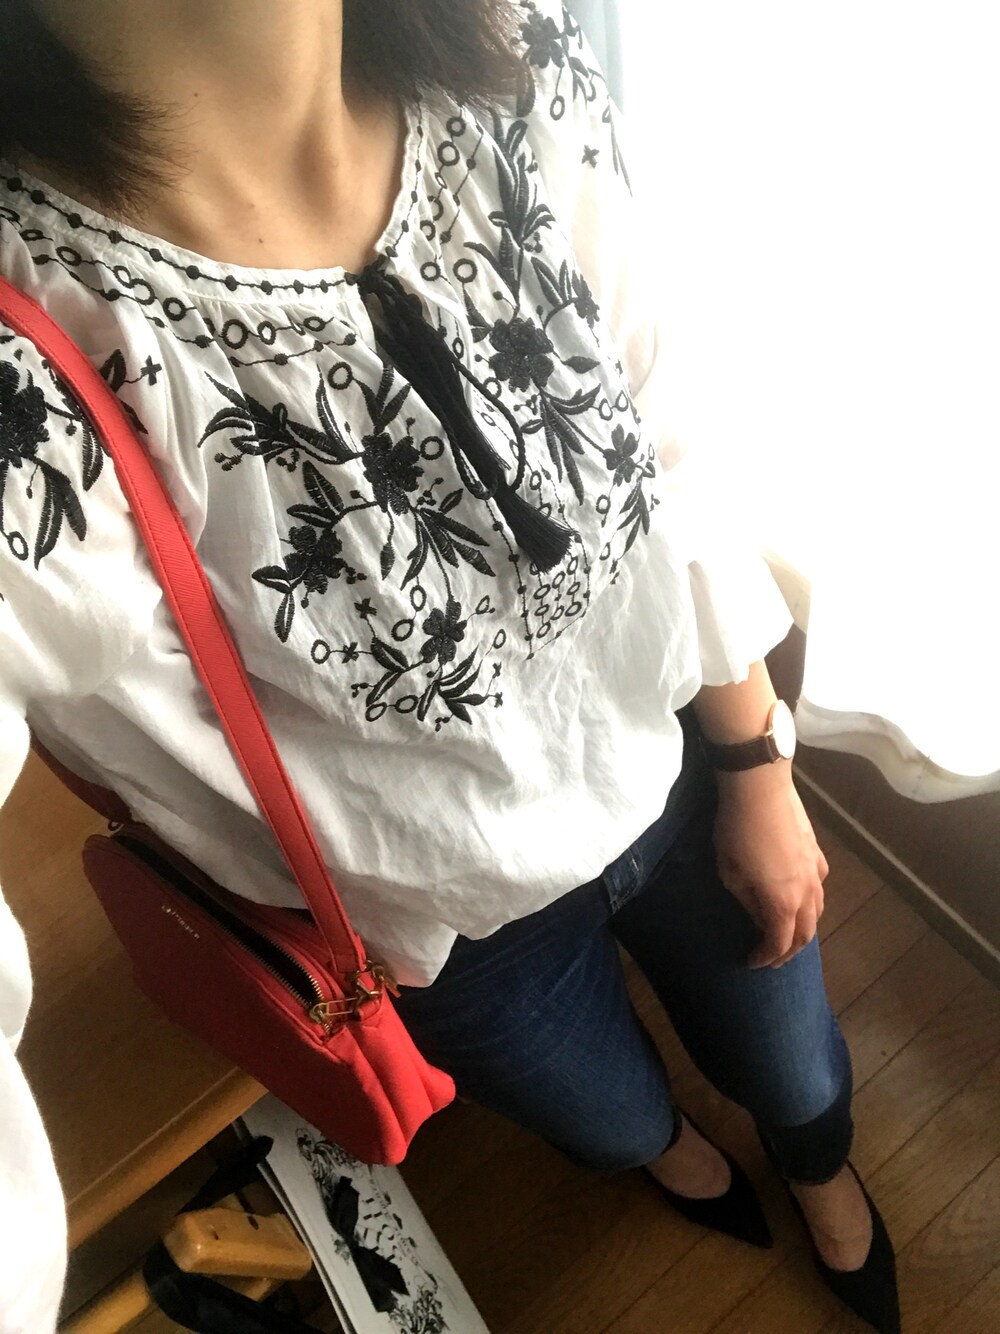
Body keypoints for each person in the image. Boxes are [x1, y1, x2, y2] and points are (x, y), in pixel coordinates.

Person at [0, 2, 898, 1331]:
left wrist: (757, 758)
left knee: (795, 1062)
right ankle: (672, 1155)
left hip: (677, 767)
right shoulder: (32, 371)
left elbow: (662, 429)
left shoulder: (510, 50)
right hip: (446, 939)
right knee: (610, 1117)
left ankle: (818, 1166)